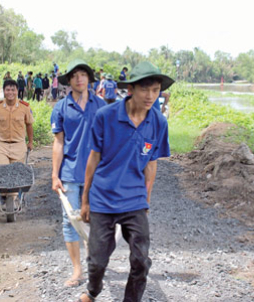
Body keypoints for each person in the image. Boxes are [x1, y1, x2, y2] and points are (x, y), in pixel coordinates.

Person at [78, 61, 173, 302]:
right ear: (131, 89)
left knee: (141, 259)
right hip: (103, 197)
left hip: (134, 200)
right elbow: (94, 158)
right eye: (145, 89)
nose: (151, 96)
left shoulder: (159, 122)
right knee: (98, 260)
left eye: (156, 90)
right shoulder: (105, 116)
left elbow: (151, 163)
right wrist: (85, 200)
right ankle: (93, 290)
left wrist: (146, 198)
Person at [50, 59, 107, 289]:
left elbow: (109, 141)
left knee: (94, 220)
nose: (79, 78)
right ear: (69, 80)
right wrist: (55, 175)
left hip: (96, 175)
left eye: (83, 74)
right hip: (70, 173)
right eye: (75, 75)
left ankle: (93, 263)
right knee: (70, 221)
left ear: (89, 79)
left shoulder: (102, 105)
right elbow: (58, 143)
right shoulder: (61, 108)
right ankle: (77, 270)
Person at [0, 79, 34, 165]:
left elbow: (29, 125)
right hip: (1, 146)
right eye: (7, 90)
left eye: (13, 90)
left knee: (17, 174)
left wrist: (30, 142)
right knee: (2, 172)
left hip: (19, 145)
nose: (10, 92)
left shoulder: (25, 107)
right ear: (4, 91)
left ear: (17, 91)